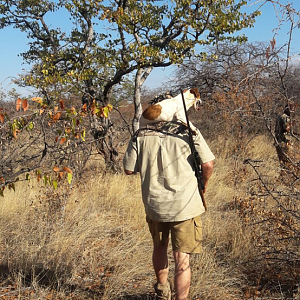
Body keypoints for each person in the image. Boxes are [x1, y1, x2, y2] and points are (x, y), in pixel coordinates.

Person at [123, 121, 215, 300]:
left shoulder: (141, 133)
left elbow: (128, 169)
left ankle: (162, 291)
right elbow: (208, 165)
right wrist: (203, 185)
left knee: (159, 247)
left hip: (155, 204)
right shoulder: (189, 130)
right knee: (182, 259)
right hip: (185, 205)